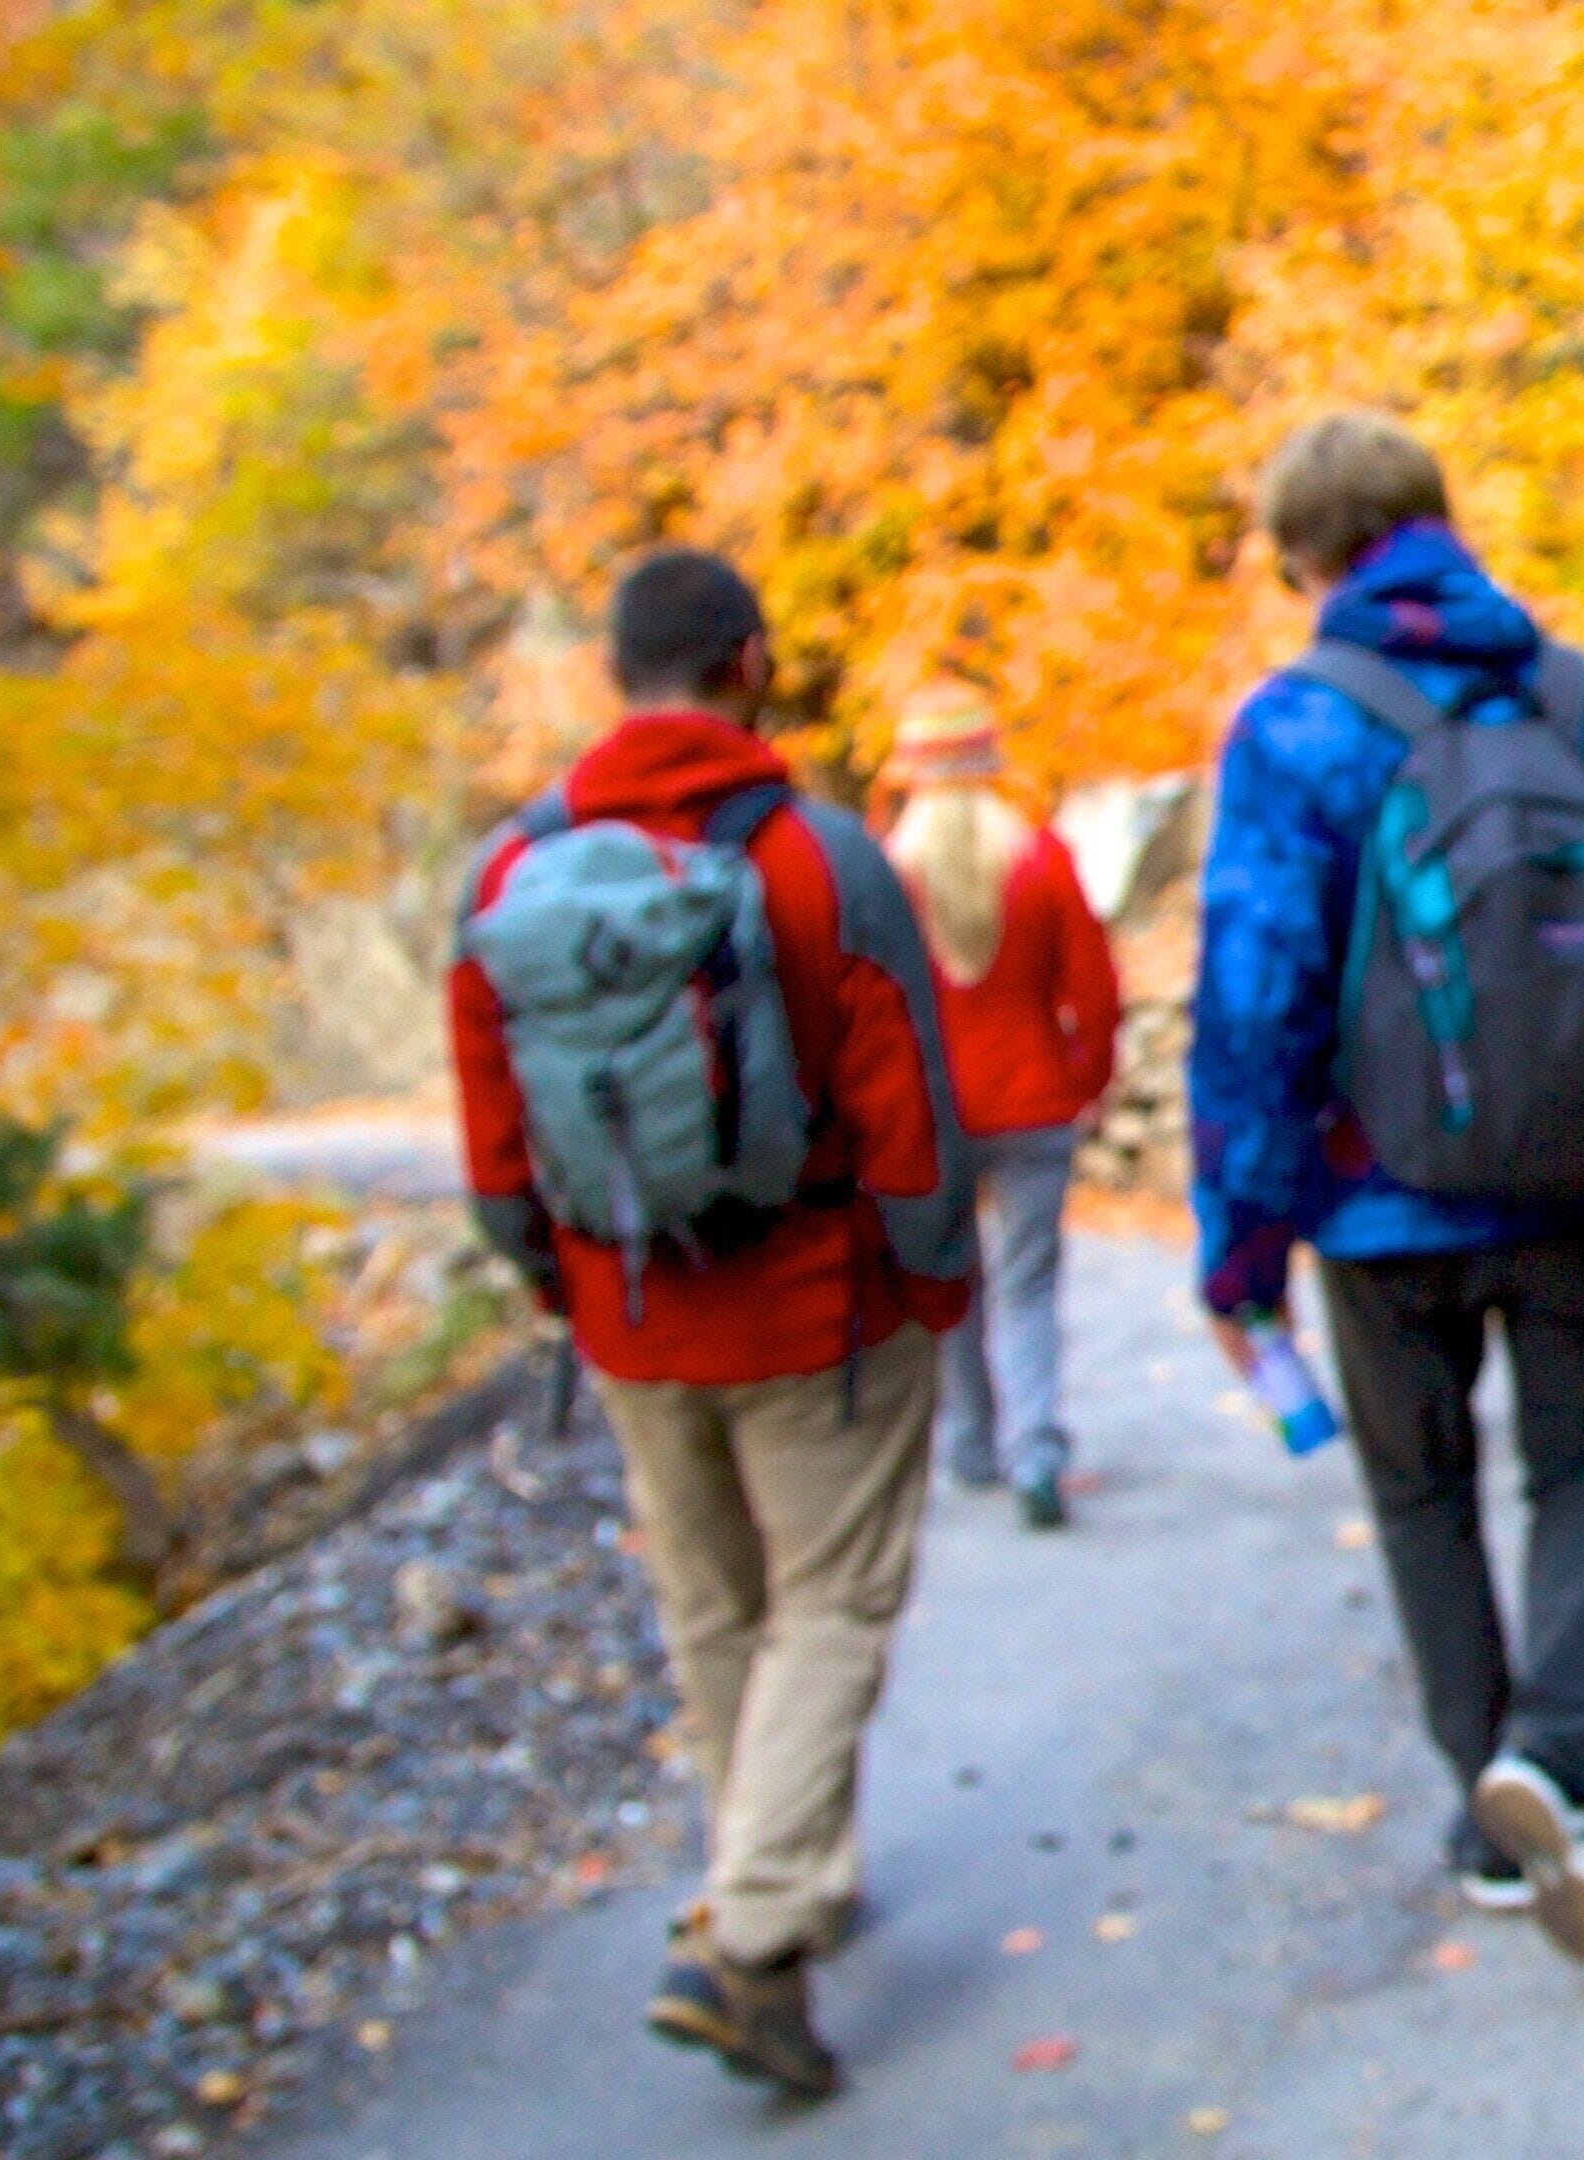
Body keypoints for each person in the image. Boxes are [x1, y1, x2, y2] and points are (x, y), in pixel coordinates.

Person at [448, 548, 974, 2099]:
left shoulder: (507, 873)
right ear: (746, 663)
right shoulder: (816, 857)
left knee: (720, 1613)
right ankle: (751, 1936)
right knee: (834, 1604)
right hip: (816, 1313)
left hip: (627, 1317)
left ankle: (781, 1871)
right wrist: (931, 1289)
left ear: (622, 674)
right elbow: (908, 1115)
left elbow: (490, 1140)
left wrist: (562, 1287)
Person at [1188, 410, 1584, 1966]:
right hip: (1576, 1182)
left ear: (1305, 559)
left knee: (1425, 1495)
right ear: (1442, 520)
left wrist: (1239, 1253)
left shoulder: (1299, 726)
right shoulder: (1574, 694)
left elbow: (1255, 1006)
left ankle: (1489, 1814)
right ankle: (1563, 1758)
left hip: (1378, 1197)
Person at [877, 682, 1120, 1528]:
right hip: (1034, 1103)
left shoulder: (887, 876)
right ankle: (1038, 1448)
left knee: (955, 1279)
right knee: (1028, 1282)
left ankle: (973, 1442)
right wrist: (1086, 1083)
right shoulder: (1041, 859)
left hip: (933, 1113)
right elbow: (1094, 990)